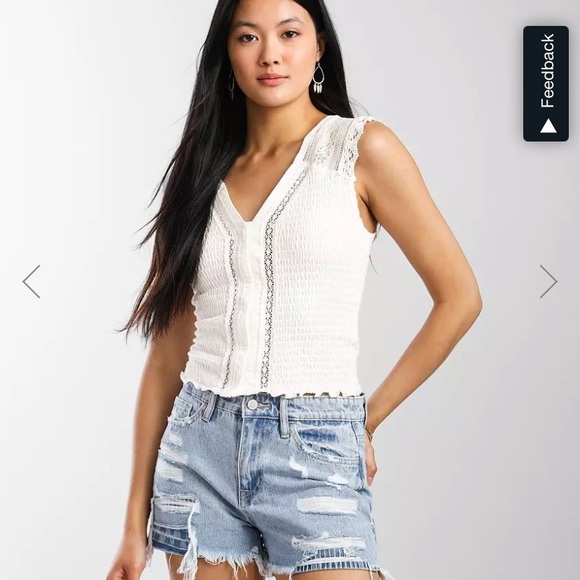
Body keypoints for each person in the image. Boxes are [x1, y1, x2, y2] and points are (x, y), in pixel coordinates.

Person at [106, 0, 482, 579]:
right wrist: (134, 526)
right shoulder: (200, 171)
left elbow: (459, 298)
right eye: (248, 37)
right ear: (227, 51)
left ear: (319, 45)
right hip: (198, 451)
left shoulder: (359, 151)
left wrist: (365, 422)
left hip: (318, 446)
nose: (270, 55)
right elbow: (166, 355)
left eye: (289, 33)